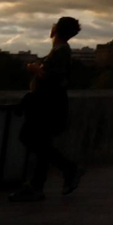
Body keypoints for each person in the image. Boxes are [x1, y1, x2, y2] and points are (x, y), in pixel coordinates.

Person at [10, 16, 85, 202]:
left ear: (56, 29)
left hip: (47, 105)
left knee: (31, 138)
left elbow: (51, 77)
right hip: (49, 104)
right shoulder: (61, 51)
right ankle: (37, 185)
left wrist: (35, 69)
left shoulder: (61, 51)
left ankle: (67, 169)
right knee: (41, 143)